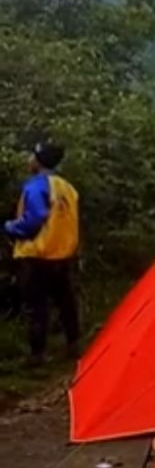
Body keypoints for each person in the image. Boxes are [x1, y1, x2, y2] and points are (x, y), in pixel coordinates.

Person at [4, 142, 80, 365]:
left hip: (37, 256)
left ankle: (37, 355)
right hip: (63, 254)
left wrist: (10, 227)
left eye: (32, 156)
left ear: (38, 161)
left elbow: (35, 218)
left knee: (36, 307)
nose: (29, 159)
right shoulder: (67, 188)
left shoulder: (35, 186)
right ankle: (73, 344)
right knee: (66, 303)